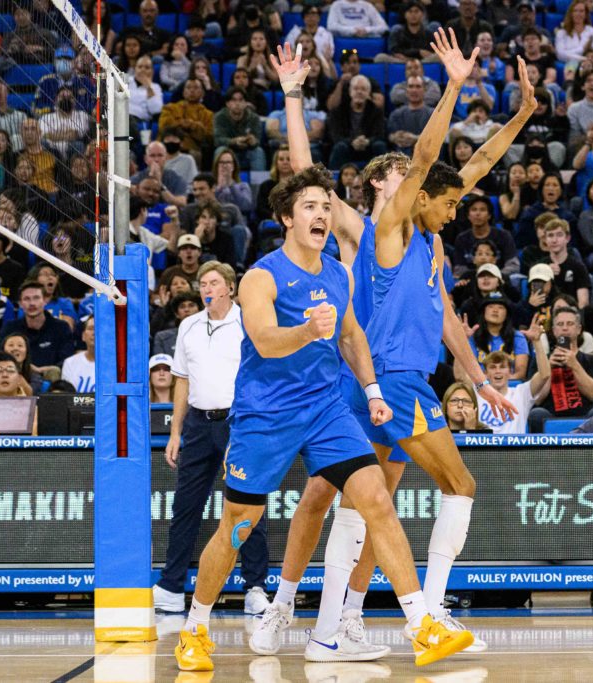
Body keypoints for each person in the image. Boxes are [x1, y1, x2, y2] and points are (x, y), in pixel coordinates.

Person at [255, 33, 527, 658]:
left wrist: (480, 379)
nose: (427, 182)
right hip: (371, 376)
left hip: (389, 381)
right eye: (411, 176)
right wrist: (294, 96)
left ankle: (339, 621)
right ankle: (304, 607)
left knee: (366, 503)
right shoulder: (368, 228)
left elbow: (451, 320)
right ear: (386, 185)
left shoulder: (430, 241)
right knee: (335, 498)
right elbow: (306, 176)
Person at [173, 165, 475, 672]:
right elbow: (267, 343)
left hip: (326, 409)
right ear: (286, 219)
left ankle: (421, 622)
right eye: (309, 207)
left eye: (325, 206)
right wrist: (308, 331)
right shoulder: (260, 277)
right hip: (266, 415)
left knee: (377, 496)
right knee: (238, 527)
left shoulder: (338, 272)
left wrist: (374, 391)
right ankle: (195, 626)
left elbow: (353, 336)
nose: (321, 214)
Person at [153, 261, 271, 616]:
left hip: (239, 423)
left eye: (213, 282)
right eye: (202, 283)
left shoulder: (248, 323)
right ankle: (172, 586)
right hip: (198, 426)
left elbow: (263, 377)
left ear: (230, 288)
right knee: (185, 505)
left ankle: (255, 587)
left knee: (248, 506)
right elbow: (182, 380)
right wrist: (175, 431)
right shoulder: (188, 325)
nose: (206, 288)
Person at [527, 305, 593, 432]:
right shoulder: (541, 361)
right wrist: (548, 367)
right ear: (553, 330)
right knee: (536, 414)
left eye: (570, 324)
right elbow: (537, 398)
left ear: (579, 329)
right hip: (550, 415)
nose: (564, 328)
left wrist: (574, 364)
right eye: (560, 324)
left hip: (584, 415)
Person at [0, 281, 76, 372]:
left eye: (36, 298)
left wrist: (42, 371)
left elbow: (68, 361)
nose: (31, 303)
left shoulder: (61, 327)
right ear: (20, 303)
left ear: (45, 301)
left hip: (53, 379)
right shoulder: (10, 328)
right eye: (27, 299)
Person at [476, 346, 547, 434]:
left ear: (510, 372)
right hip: (482, 447)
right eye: (493, 367)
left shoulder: (521, 393)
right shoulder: (478, 392)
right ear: (485, 373)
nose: (498, 371)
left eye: (502, 367)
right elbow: (461, 377)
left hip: (514, 447)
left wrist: (537, 341)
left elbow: (544, 375)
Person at [60, 316, 96, 393]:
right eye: (90, 328)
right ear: (83, 336)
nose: (94, 333)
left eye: (99, 329)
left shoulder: (117, 364)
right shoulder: (70, 363)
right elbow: (68, 398)